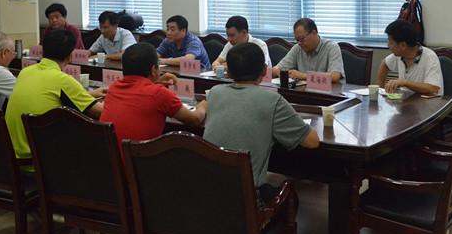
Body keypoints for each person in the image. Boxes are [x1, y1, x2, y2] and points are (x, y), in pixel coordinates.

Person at [203, 42, 319, 200]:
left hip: (207, 193)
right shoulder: (272, 100)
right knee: (291, 198)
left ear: (228, 72)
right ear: (264, 70)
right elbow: (312, 142)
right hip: (245, 201)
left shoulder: (214, 93)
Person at [6, 29, 106, 161]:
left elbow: (51, 94)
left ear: (42, 52)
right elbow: (102, 112)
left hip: (11, 156)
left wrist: (90, 94)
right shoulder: (63, 80)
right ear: (69, 57)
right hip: (40, 161)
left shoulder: (25, 72)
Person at [100, 42, 206, 144]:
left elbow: (138, 90)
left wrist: (155, 82)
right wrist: (203, 106)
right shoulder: (159, 93)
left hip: (110, 155)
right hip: (140, 156)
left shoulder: (114, 87)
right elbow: (195, 120)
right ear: (153, 70)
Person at [377, 19, 443, 96]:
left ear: (403, 45)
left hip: (427, 102)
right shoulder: (399, 55)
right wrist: (379, 91)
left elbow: (433, 88)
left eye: (390, 41)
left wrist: (404, 83)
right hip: (405, 101)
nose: (388, 45)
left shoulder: (429, 57)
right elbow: (385, 64)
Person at [272, 18, 345, 83]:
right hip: (306, 91)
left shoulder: (331, 47)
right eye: (297, 40)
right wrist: (279, 71)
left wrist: (303, 76)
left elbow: (335, 76)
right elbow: (275, 69)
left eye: (302, 39)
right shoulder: (298, 48)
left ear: (314, 33)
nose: (299, 43)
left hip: (331, 92)